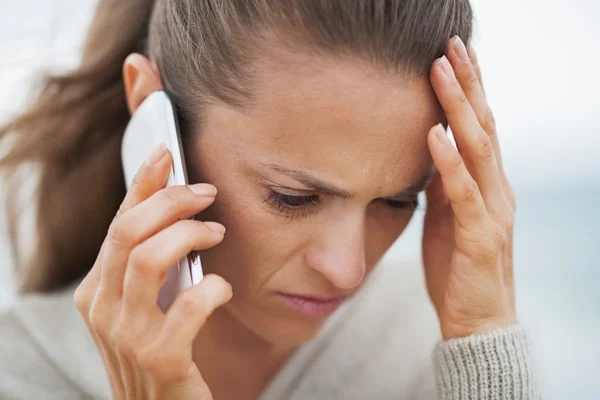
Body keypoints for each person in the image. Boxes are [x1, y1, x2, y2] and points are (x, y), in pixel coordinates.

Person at [0, 0, 539, 399]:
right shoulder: (20, 374)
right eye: (292, 197)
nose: (347, 271)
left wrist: (484, 348)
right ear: (151, 115)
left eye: (398, 201)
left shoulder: (439, 356)